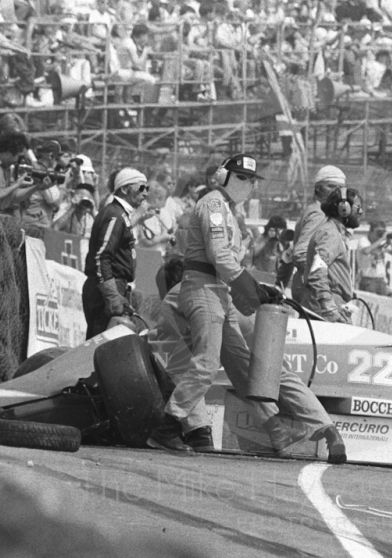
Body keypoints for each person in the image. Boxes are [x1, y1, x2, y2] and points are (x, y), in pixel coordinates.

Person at [148, 153, 346, 464]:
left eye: (252, 180)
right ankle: (167, 425)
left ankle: (275, 429)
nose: (249, 185)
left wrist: (258, 293)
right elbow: (219, 256)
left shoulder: (229, 212)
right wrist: (253, 289)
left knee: (243, 367)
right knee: (207, 364)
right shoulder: (214, 205)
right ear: (224, 177)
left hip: (219, 293)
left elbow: (233, 265)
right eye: (242, 178)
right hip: (202, 289)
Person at [82, 167, 148, 339]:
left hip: (112, 286)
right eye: (141, 188)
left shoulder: (119, 214)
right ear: (125, 189)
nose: (145, 193)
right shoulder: (114, 215)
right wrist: (112, 295)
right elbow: (101, 257)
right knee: (100, 347)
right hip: (106, 289)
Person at [303, 187, 364, 323]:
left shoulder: (332, 233)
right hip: (327, 308)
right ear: (344, 209)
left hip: (330, 303)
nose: (361, 211)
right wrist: (329, 308)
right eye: (358, 207)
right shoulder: (331, 234)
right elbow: (317, 273)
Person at [291, 165, 346, 302]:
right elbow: (301, 253)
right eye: (332, 186)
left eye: (341, 188)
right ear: (318, 188)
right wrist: (328, 278)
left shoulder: (318, 212)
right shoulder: (319, 214)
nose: (337, 192)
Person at [19, 139, 64, 230]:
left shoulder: (32, 168)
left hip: (28, 219)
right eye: (57, 158)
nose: (57, 162)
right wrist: (63, 186)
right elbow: (54, 201)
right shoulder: (42, 172)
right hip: (37, 223)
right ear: (50, 156)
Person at [356, 220, 392, 296]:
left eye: (382, 232)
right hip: (368, 280)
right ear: (371, 232)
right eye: (378, 232)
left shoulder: (380, 244)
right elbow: (367, 251)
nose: (379, 234)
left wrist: (389, 242)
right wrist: (381, 239)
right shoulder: (364, 241)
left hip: (381, 280)